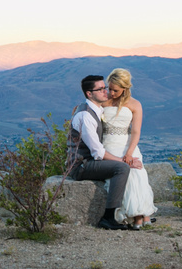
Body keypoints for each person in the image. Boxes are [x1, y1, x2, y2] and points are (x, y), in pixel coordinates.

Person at [66, 74, 132, 230]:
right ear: (89, 93)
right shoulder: (85, 115)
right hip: (80, 165)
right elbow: (98, 152)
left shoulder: (96, 109)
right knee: (121, 168)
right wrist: (124, 160)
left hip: (89, 161)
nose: (105, 92)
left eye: (105, 88)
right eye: (100, 89)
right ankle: (108, 218)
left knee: (122, 166)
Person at [102, 68, 156, 229]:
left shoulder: (135, 104)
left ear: (125, 88)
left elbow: (136, 131)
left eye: (115, 90)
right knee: (123, 172)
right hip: (109, 145)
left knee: (136, 171)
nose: (111, 93)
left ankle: (140, 215)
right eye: (109, 88)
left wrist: (129, 153)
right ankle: (137, 217)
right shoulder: (103, 102)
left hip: (127, 145)